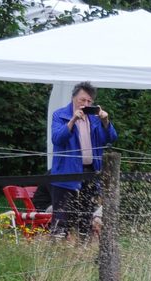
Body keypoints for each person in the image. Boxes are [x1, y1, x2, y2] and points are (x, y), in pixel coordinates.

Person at [50, 81, 117, 240]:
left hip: (90, 173)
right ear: (73, 98)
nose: (85, 104)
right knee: (62, 217)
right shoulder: (59, 115)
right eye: (82, 100)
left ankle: (83, 249)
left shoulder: (94, 119)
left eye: (89, 101)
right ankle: (57, 251)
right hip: (66, 174)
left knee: (86, 216)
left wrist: (105, 122)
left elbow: (111, 139)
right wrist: (72, 120)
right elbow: (57, 139)